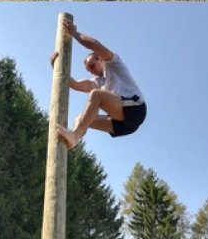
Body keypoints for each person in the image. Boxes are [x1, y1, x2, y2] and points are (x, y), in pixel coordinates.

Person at [53, 18, 147, 149]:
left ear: (101, 59)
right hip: (124, 125)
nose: (92, 70)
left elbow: (94, 45)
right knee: (80, 119)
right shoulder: (97, 82)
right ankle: (73, 139)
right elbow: (74, 84)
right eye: (89, 70)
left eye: (93, 65)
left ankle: (74, 136)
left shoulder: (114, 64)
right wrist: (56, 67)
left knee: (96, 95)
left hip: (136, 108)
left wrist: (74, 33)